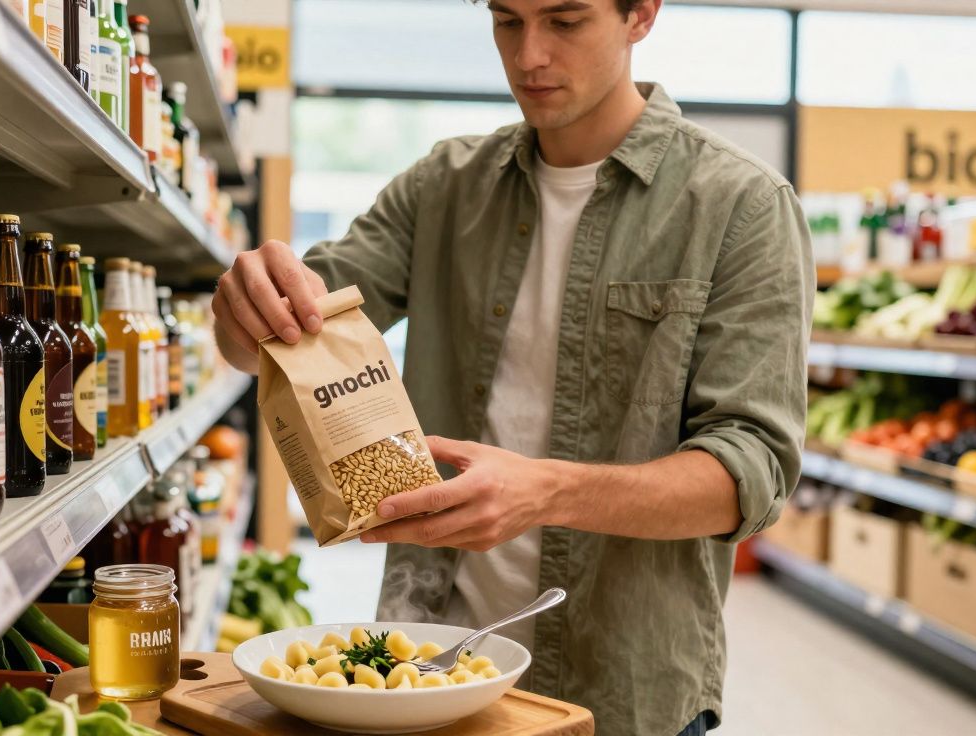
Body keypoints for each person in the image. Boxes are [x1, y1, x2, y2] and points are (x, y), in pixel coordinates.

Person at [211, 1, 813, 733]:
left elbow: (750, 476)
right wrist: (243, 312)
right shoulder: (443, 187)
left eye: (565, 21)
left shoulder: (741, 207)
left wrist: (547, 492)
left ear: (641, 15)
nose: (529, 56)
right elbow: (270, 343)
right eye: (507, 20)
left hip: (624, 690)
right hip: (430, 670)